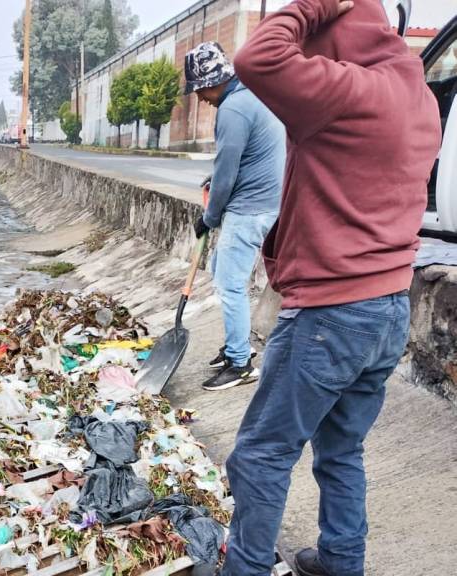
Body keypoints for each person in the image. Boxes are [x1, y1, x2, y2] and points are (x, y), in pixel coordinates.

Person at [221, 1, 441, 575]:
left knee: (260, 456)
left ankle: (243, 569)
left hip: (330, 315)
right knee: (342, 450)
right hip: (391, 308)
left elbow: (256, 57)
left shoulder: (348, 90)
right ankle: (342, 560)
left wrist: (315, 5)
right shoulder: (418, 95)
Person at [183, 41, 286, 391]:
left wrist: (209, 218)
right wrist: (216, 181)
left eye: (200, 90)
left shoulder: (234, 109)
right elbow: (242, 161)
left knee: (229, 284)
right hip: (263, 204)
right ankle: (234, 348)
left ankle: (241, 364)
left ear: (214, 81)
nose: (200, 99)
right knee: (220, 271)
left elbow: (227, 174)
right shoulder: (251, 97)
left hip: (250, 210)